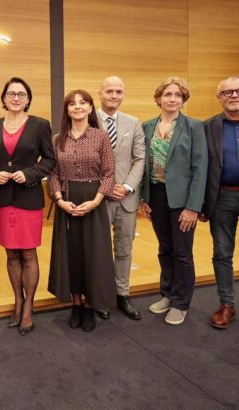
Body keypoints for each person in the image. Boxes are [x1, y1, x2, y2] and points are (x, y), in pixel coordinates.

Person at [0, 77, 55, 335]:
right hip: (3, 200)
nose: (16, 98)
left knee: (28, 254)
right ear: (4, 98)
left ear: (27, 99)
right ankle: (18, 302)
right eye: (11, 93)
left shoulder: (39, 125)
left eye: (21, 94)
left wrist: (31, 173)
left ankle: (28, 308)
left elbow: (50, 159)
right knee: (11, 254)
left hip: (28, 198)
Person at [140, 77, 208, 325]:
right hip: (156, 196)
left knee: (182, 252)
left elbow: (201, 168)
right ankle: (167, 294)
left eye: (178, 95)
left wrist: (193, 207)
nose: (172, 99)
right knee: (164, 249)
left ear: (183, 99)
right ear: (159, 98)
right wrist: (143, 198)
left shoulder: (193, 126)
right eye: (168, 94)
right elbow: (142, 165)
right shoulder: (147, 126)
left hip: (182, 199)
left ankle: (181, 302)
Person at [48, 89, 116, 332]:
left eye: (83, 102)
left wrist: (97, 201)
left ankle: (90, 306)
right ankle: (76, 304)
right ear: (67, 109)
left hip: (93, 201)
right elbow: (53, 174)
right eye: (72, 103)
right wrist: (58, 200)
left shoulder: (101, 137)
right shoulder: (57, 140)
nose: (77, 107)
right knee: (72, 255)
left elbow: (109, 174)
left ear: (90, 108)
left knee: (93, 255)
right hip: (67, 202)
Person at [201, 76, 239, 330]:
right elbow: (199, 169)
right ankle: (226, 305)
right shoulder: (207, 127)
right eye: (227, 92)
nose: (234, 96)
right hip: (222, 197)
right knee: (222, 254)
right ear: (218, 97)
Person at [96, 76, 146, 320]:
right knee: (100, 250)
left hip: (126, 199)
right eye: (109, 91)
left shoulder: (133, 123)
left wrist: (126, 186)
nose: (114, 95)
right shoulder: (87, 120)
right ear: (100, 94)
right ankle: (101, 295)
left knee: (124, 249)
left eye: (118, 91)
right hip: (98, 199)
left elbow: (140, 159)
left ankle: (122, 293)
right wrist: (105, 187)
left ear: (123, 94)